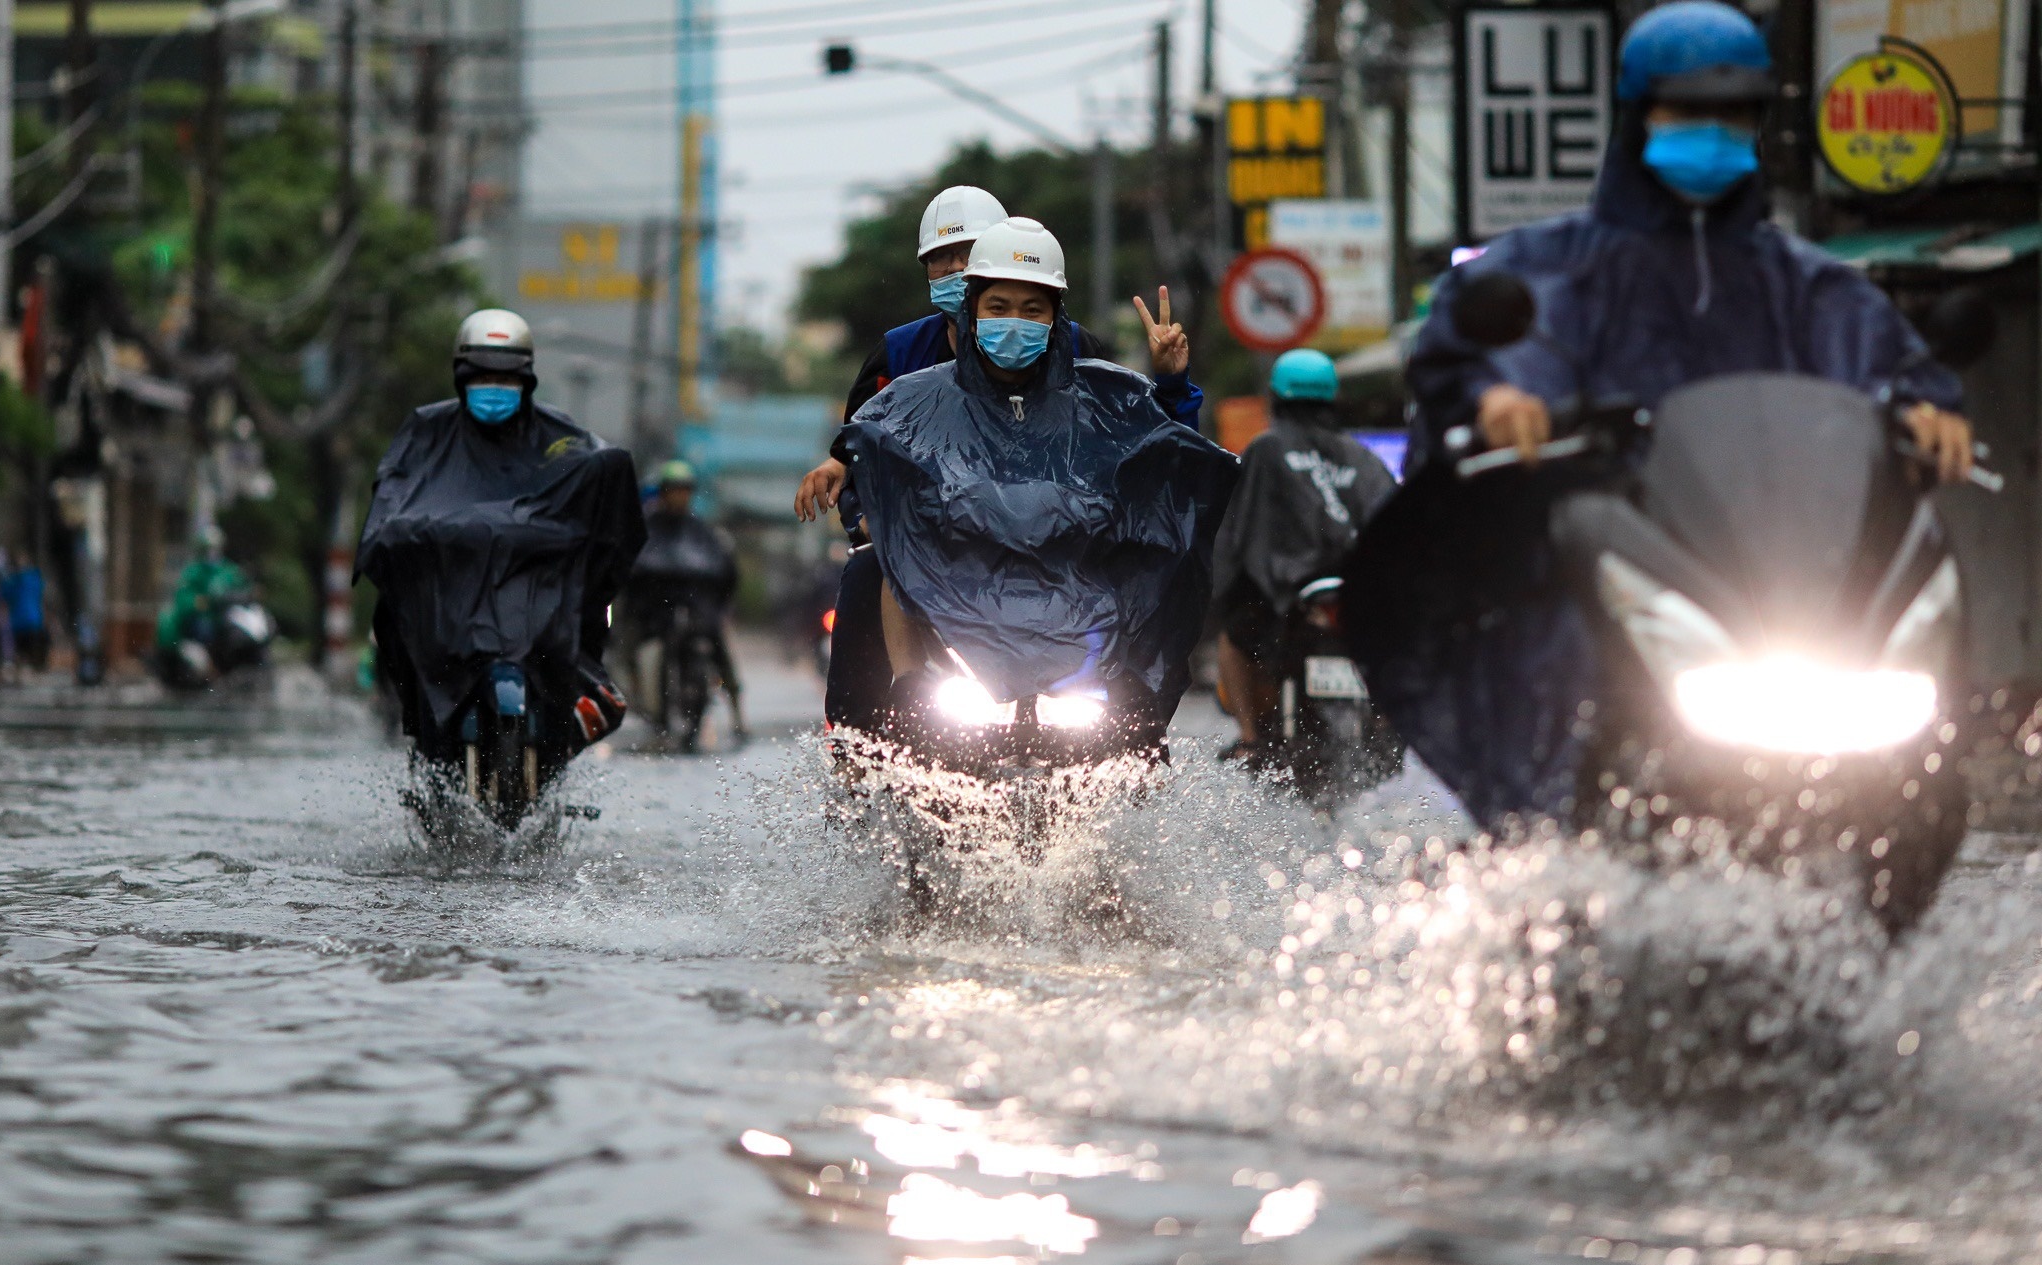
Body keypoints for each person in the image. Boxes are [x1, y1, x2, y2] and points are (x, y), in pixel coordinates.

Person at [1380, 0, 1977, 824]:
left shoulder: (1806, 280)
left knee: (1916, 750)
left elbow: (1885, 360)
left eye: (1735, 112)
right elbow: (1481, 349)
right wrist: (1502, 397)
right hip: (1603, 569)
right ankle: (1538, 869)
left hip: (1778, 571)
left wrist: (1925, 407)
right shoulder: (1553, 265)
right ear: (1638, 116)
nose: (1714, 130)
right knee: (1545, 704)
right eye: (1689, 109)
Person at [793, 187, 1207, 731]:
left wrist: (1171, 385)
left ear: (1056, 314)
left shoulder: (1087, 366)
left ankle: (1132, 735)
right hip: (946, 540)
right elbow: (864, 440)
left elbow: (1150, 447)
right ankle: (871, 723)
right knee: (876, 564)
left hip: (1060, 542)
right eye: (997, 307)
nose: (1013, 323)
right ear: (971, 309)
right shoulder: (915, 380)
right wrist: (854, 489)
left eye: (1032, 308)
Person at [360, 309, 644, 776]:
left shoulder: (559, 438)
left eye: (506, 377)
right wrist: (400, 532)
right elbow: (393, 490)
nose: (494, 387)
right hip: (451, 600)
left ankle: (564, 726)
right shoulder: (427, 433)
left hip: (532, 601)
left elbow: (593, 475)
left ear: (527, 379)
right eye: (483, 376)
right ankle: (424, 738)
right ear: (461, 375)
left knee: (597, 690)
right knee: (394, 626)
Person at [1211, 349, 1396, 758]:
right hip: (1356, 593)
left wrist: (1227, 583)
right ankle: (1386, 726)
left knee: (1232, 636)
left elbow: (1240, 530)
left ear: (1276, 396)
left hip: (1291, 592)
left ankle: (1249, 738)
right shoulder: (1362, 457)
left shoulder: (1266, 448)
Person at [627, 460, 744, 751]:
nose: (680, 497)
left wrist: (716, 604)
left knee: (719, 651)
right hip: (655, 616)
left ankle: (736, 709)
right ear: (663, 493)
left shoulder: (701, 531)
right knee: (633, 653)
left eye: (685, 491)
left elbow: (724, 570)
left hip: (698, 613)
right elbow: (630, 570)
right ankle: (643, 705)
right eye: (674, 491)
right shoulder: (644, 528)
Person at [155, 527, 253, 677]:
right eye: (209, 549)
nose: (213, 553)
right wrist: (201, 603)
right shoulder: (193, 572)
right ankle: (211, 669)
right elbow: (184, 597)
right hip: (204, 618)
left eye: (216, 548)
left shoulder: (228, 570)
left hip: (226, 616)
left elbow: (242, 586)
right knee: (204, 630)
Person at [1, 552, 46, 671]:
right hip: (29, 621)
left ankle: (25, 672)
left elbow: (4, 594)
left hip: (25, 622)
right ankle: (28, 672)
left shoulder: (16, 581)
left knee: (25, 652)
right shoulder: (33, 578)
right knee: (27, 652)